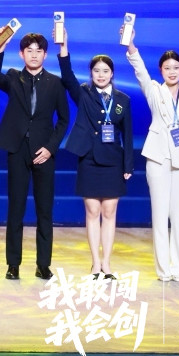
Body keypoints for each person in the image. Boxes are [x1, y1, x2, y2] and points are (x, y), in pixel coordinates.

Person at [0, 28, 67, 281]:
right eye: (29, 50)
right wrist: (0, 47)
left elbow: (64, 120)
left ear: (45, 55)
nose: (34, 55)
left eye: (38, 51)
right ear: (21, 54)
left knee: (45, 210)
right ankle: (13, 264)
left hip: (44, 152)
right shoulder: (13, 78)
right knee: (16, 208)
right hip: (17, 149)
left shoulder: (55, 83)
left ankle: (43, 264)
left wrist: (50, 148)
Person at [125, 37, 179, 282]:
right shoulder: (154, 91)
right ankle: (164, 270)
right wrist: (131, 46)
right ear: (161, 70)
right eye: (167, 68)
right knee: (159, 214)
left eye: (176, 67)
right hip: (157, 157)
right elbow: (140, 71)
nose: (172, 71)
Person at [59, 40, 133, 279]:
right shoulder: (83, 93)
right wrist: (63, 46)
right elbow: (67, 75)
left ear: (112, 74)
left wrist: (128, 165)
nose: (101, 75)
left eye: (105, 71)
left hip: (113, 161)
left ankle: (107, 264)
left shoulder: (122, 100)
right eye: (96, 71)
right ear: (91, 73)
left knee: (109, 211)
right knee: (92, 210)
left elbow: (128, 135)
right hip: (89, 158)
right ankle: (95, 264)